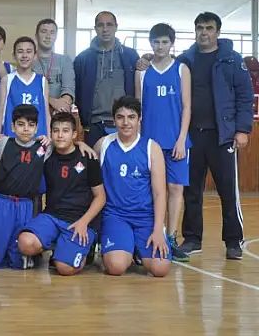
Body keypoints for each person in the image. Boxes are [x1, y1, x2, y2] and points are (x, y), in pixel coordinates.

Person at [174, 13, 253, 260]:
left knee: (228, 191)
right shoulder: (185, 60)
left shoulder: (232, 59)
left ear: (217, 32)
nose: (204, 32)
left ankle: (233, 241)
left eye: (209, 28)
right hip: (192, 136)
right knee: (191, 191)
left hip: (223, 136)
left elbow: (245, 95)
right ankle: (192, 238)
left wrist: (242, 129)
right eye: (200, 28)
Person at [18, 112, 106, 276]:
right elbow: (23, 144)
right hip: (52, 216)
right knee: (25, 242)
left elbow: (100, 197)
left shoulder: (87, 157)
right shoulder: (47, 155)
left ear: (74, 134)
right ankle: (58, 244)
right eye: (56, 131)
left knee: (65, 268)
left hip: (79, 220)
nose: (60, 135)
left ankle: (84, 249)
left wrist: (84, 222)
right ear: (51, 134)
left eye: (65, 131)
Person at [94, 96, 171, 277]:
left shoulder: (152, 148)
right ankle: (122, 247)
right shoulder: (103, 145)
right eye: (120, 117)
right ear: (114, 120)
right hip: (116, 216)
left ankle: (136, 249)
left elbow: (160, 194)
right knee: (116, 267)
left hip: (145, 217)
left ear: (139, 119)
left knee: (160, 269)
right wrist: (81, 144)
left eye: (131, 117)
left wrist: (158, 229)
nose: (126, 123)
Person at [135, 23, 192, 262]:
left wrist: (181, 139)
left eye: (164, 42)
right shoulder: (142, 72)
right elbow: (138, 109)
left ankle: (171, 237)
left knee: (175, 188)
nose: (160, 46)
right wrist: (139, 141)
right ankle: (151, 234)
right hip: (150, 142)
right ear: (150, 44)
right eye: (156, 42)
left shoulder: (181, 70)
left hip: (176, 141)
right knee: (152, 189)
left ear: (171, 44)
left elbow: (187, 106)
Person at [0, 105, 47, 270]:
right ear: (13, 126)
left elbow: (67, 145)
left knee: (19, 257)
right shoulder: (3, 143)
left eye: (31, 125)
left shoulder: (44, 148)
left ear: (37, 127)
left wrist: (83, 145)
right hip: (1, 202)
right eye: (21, 124)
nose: (26, 129)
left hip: (25, 204)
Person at [74, 11, 139, 147]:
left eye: (109, 24)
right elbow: (77, 91)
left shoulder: (130, 56)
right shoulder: (82, 59)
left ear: (116, 27)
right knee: (94, 160)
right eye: (100, 25)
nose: (105, 29)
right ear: (95, 28)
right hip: (94, 125)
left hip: (124, 122)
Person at [0, 37, 50, 139]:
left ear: (35, 55)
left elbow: (46, 113)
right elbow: (1, 110)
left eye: (28, 51)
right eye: (20, 51)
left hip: (38, 138)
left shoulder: (42, 81)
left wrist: (49, 137)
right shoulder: (7, 80)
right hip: (12, 137)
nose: (24, 55)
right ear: (14, 55)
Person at [32, 19, 75, 113]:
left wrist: (63, 105)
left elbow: (68, 89)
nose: (48, 36)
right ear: (36, 36)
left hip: (59, 114)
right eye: (44, 32)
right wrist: (52, 101)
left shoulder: (65, 60)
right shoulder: (28, 61)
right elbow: (27, 90)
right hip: (33, 113)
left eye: (52, 32)